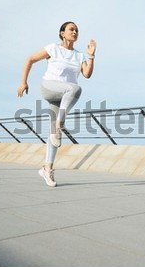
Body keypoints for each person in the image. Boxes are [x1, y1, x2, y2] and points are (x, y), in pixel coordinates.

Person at [17, 21, 96, 187]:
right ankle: (60, 123)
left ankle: (47, 169)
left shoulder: (79, 55)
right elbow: (30, 59)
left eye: (77, 30)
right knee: (75, 88)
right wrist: (23, 82)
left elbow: (87, 74)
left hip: (62, 97)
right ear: (62, 33)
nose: (75, 32)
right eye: (71, 29)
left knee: (54, 135)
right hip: (49, 87)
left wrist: (91, 56)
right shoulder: (53, 48)